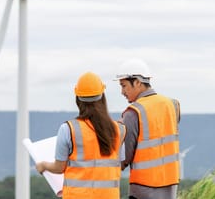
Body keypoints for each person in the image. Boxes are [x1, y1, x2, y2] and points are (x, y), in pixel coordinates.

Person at [36, 71, 126, 199]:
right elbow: (120, 164)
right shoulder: (119, 130)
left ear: (78, 98)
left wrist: (43, 165)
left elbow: (59, 167)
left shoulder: (68, 129)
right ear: (102, 96)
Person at [116, 58, 181, 199]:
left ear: (138, 82)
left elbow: (124, 158)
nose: (122, 92)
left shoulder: (133, 113)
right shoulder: (172, 105)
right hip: (170, 185)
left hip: (143, 188)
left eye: (124, 86)